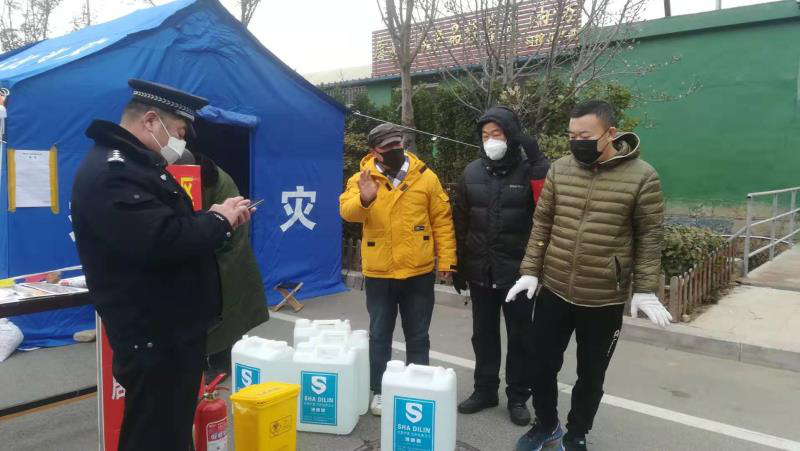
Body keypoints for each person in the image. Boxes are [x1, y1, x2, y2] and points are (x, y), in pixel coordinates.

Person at [71, 79, 253, 451]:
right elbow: (161, 240)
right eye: (180, 132)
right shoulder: (114, 172)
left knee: (167, 431)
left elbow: (166, 227)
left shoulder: (137, 165)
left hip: (169, 331)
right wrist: (217, 221)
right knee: (155, 436)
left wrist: (217, 217)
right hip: (153, 335)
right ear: (152, 121)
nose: (181, 144)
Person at [507, 100, 672, 451]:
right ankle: (546, 425)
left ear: (610, 133)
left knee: (591, 374)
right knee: (540, 364)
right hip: (555, 289)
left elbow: (649, 237)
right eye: (572, 135)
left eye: (585, 136)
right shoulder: (561, 169)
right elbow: (543, 223)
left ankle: (577, 433)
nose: (576, 142)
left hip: (603, 298)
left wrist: (644, 289)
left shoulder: (643, 177)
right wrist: (530, 271)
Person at [339, 123, 457, 416]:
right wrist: (365, 198)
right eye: (387, 147)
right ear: (373, 152)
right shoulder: (361, 178)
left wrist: (447, 261)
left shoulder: (425, 177)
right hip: (380, 272)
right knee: (380, 334)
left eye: (397, 144)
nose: (394, 150)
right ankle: (380, 390)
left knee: (418, 335)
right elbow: (347, 212)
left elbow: (441, 220)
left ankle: (418, 387)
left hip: (419, 271)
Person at [452, 106, 550, 426]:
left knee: (520, 337)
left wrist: (538, 163)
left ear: (511, 136)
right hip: (481, 269)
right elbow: (461, 220)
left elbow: (547, 207)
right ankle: (485, 390)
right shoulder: (471, 172)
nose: (491, 140)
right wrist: (459, 264)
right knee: (483, 335)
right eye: (485, 135)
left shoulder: (529, 171)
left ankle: (518, 396)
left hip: (518, 273)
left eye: (497, 134)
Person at [192, 151, 269, 381]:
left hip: (225, 255)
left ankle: (220, 365)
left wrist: (205, 233)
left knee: (228, 315)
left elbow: (233, 226)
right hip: (197, 251)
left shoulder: (219, 180)